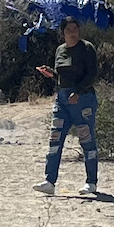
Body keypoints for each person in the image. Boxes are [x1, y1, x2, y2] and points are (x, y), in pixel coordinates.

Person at [35, 15, 101, 197]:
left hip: (83, 99)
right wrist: (51, 74)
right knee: (55, 139)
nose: (73, 33)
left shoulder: (86, 48)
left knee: (87, 140)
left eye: (75, 29)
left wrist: (79, 92)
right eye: (68, 30)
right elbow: (62, 76)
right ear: (62, 33)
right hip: (63, 99)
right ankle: (49, 181)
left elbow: (92, 73)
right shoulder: (60, 50)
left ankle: (91, 182)